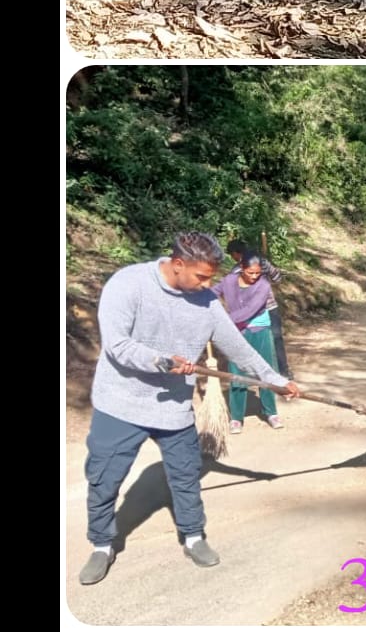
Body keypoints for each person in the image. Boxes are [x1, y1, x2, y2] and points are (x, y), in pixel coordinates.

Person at [80, 233, 300, 587]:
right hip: (120, 405)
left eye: (212, 277)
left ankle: (194, 536)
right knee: (104, 479)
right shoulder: (128, 284)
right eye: (201, 277)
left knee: (185, 475)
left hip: (173, 410)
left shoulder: (206, 302)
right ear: (178, 264)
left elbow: (239, 349)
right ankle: (102, 544)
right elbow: (117, 345)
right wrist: (162, 361)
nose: (208, 285)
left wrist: (274, 379)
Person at [212, 252, 284, 433]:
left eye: (257, 273)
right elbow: (212, 293)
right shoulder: (228, 281)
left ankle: (271, 412)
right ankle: (237, 417)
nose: (254, 277)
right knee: (237, 373)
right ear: (241, 268)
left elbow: (249, 311)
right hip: (237, 333)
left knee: (266, 370)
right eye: (250, 273)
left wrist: (223, 322)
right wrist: (200, 295)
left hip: (260, 330)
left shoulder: (264, 285)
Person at [226, 239, 291, 378]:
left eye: (232, 255)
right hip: (270, 306)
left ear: (236, 254)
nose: (233, 258)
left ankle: (258, 372)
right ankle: (284, 372)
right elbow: (277, 278)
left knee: (253, 341)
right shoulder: (263, 263)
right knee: (276, 339)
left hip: (251, 311)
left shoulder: (237, 270)